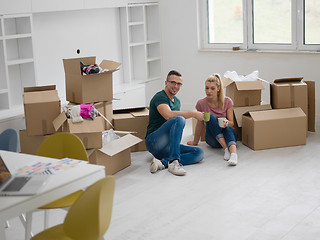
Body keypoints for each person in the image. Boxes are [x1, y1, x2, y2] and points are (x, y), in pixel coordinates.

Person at [145, 70, 204, 176]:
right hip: (154, 141)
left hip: (167, 146)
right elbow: (168, 115)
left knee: (199, 153)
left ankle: (162, 163)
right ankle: (173, 162)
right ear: (166, 83)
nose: (176, 86)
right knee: (179, 119)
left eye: (179, 84)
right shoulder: (160, 97)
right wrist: (193, 113)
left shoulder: (177, 101)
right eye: (173, 82)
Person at [187, 73, 238, 166]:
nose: (209, 91)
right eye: (207, 88)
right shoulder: (201, 103)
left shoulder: (227, 101)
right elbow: (200, 123)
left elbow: (232, 123)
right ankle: (226, 149)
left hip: (228, 135)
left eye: (212, 88)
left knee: (227, 128)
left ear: (218, 89)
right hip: (213, 139)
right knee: (211, 117)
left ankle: (234, 155)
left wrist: (227, 123)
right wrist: (195, 142)